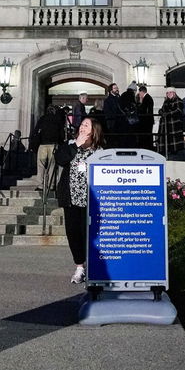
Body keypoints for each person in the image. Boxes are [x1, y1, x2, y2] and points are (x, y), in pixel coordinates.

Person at [55, 116, 105, 284]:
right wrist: (76, 144)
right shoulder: (70, 146)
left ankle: (94, 266)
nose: (82, 127)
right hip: (71, 199)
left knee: (89, 234)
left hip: (90, 200)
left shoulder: (99, 151)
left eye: (86, 125)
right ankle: (79, 267)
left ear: (94, 131)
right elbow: (60, 159)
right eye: (82, 124)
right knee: (73, 233)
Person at [33, 105, 67, 191]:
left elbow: (36, 131)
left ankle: (40, 185)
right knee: (52, 165)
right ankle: (51, 185)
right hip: (53, 145)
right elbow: (61, 134)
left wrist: (35, 145)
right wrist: (61, 142)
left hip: (42, 145)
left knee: (41, 166)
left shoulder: (42, 119)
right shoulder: (57, 119)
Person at [157, 88, 185, 156]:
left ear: (174, 93)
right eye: (167, 93)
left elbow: (178, 110)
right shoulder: (166, 101)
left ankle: (175, 154)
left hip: (174, 125)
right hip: (166, 125)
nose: (169, 94)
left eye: (170, 92)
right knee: (166, 140)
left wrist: (167, 114)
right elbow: (162, 109)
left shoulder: (178, 100)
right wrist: (161, 112)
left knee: (174, 142)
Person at [102, 83, 124, 147]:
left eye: (117, 88)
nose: (117, 89)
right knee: (113, 142)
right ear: (111, 90)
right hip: (113, 124)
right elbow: (108, 113)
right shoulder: (108, 100)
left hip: (120, 124)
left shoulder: (119, 98)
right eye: (115, 88)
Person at [135, 86, 155, 150]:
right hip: (148, 120)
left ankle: (147, 148)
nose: (139, 94)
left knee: (146, 135)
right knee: (147, 135)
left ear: (142, 92)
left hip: (146, 121)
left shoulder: (146, 98)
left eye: (139, 92)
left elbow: (143, 109)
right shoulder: (148, 98)